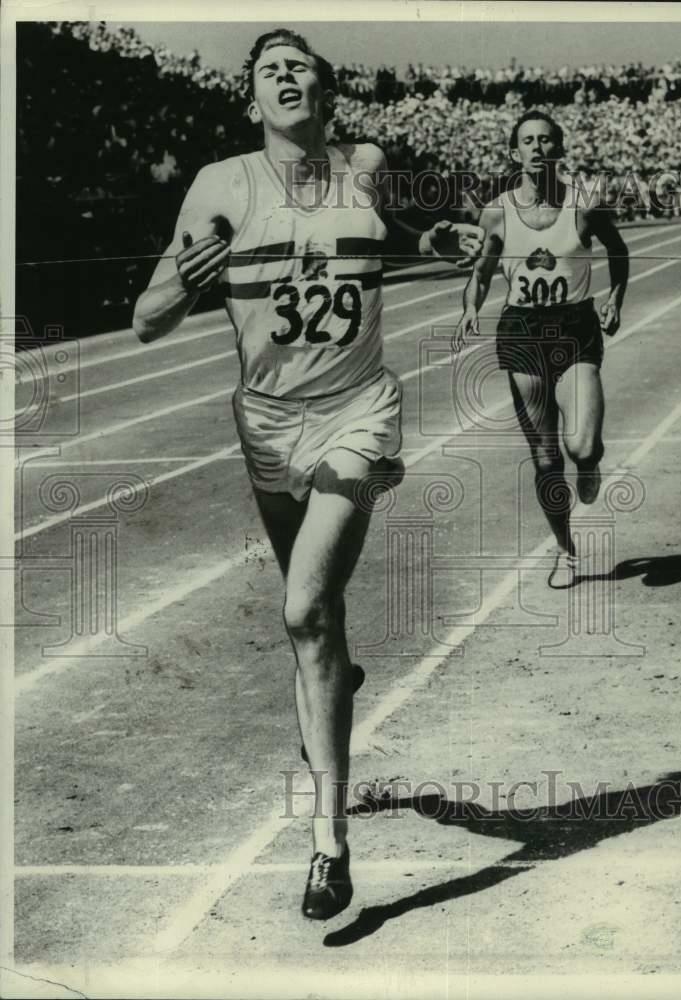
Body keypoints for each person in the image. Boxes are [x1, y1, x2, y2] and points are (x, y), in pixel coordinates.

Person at [133, 28, 483, 920]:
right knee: (314, 628)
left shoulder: (366, 164)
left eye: (302, 70)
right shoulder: (220, 185)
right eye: (268, 73)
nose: (286, 80)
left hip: (359, 412)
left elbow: (406, 233)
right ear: (252, 102)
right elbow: (146, 318)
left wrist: (447, 238)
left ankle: (329, 845)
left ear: (328, 95)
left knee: (304, 610)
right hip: (266, 424)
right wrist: (188, 279)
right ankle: (337, 681)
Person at [453, 110, 628, 589]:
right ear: (515, 153)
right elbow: (483, 270)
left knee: (581, 445)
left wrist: (615, 297)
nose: (537, 147)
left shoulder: (584, 205)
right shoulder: (497, 211)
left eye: (547, 140)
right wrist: (471, 306)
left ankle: (590, 463)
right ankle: (566, 551)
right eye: (528, 141)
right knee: (547, 459)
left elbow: (619, 251)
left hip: (574, 330)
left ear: (559, 149)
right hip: (523, 332)